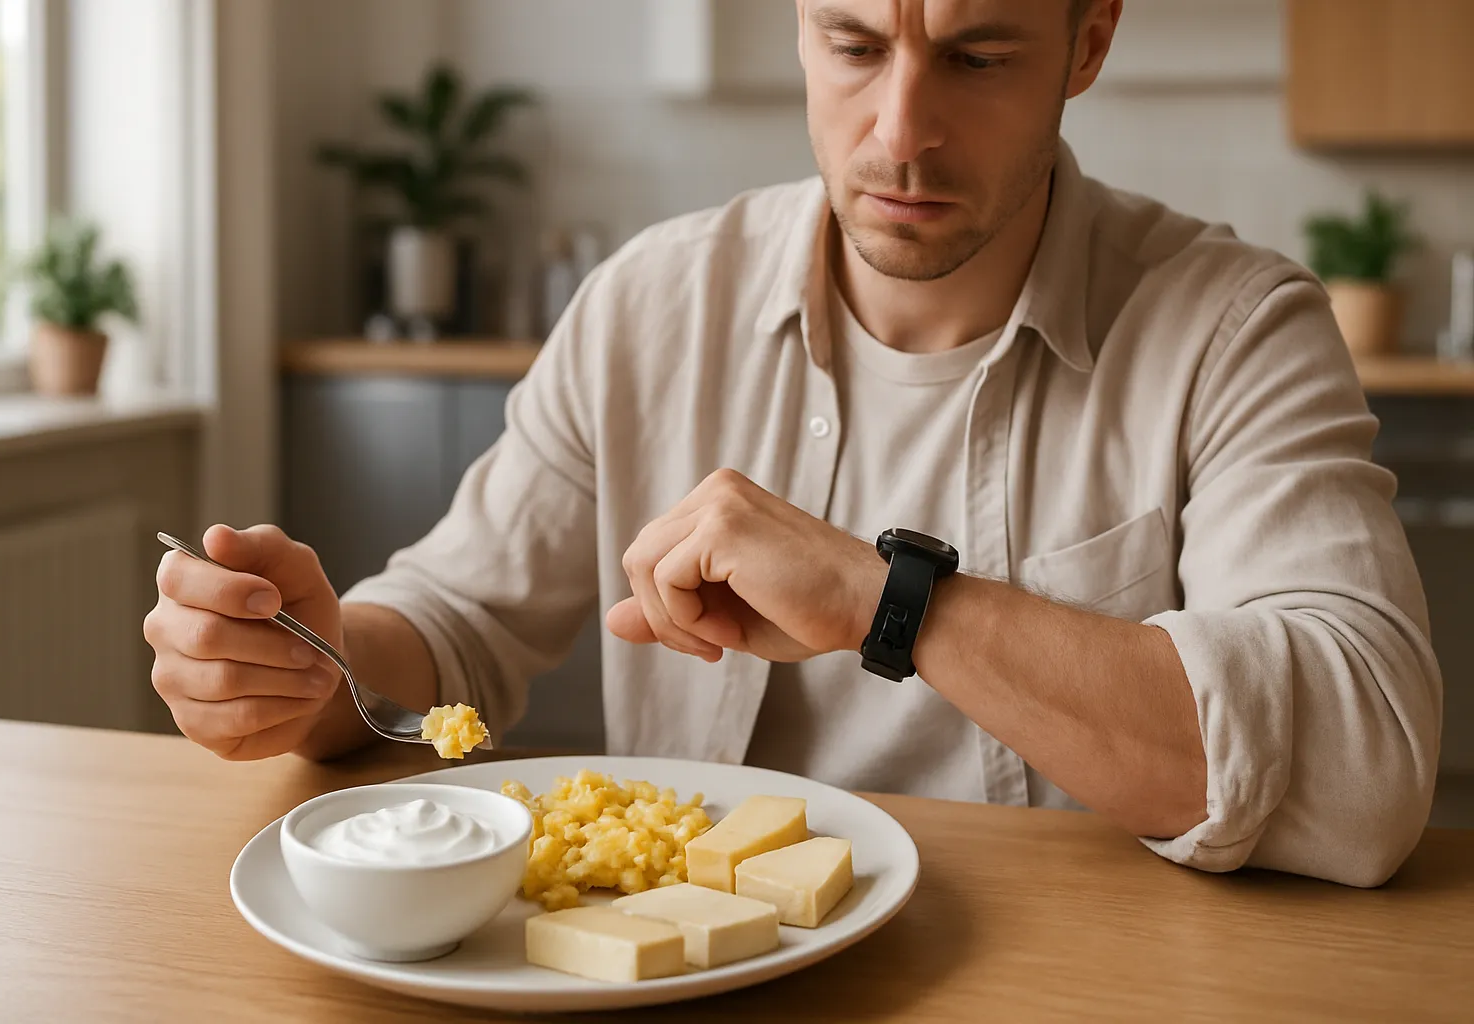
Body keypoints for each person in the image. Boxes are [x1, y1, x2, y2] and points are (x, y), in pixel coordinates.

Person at [144, 0, 1442, 887]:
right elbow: (451, 619)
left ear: (1087, 38)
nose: (900, 132)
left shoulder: (1238, 326)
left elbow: (1369, 766)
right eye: (854, 43)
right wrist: (315, 676)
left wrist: (896, 602)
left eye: (980, 56)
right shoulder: (652, 303)